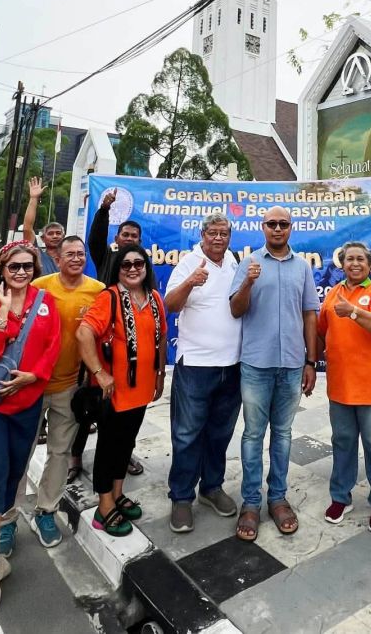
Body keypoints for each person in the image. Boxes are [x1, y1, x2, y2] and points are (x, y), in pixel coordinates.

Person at [0, 241, 61, 616]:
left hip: (28, 403)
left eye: (27, 266)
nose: (21, 272)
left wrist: (33, 376)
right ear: (1, 271)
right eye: (13, 267)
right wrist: (4, 313)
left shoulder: (46, 302)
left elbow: (53, 346)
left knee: (12, 475)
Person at [0, 235, 105, 549]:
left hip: (69, 387)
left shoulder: (98, 291)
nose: (76, 258)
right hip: (29, 385)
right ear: (57, 259)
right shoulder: (39, 287)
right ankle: (6, 519)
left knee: (59, 453)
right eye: (70, 254)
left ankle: (46, 511)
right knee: (20, 453)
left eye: (80, 253)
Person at [229, 206, 319, 542]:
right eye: (272, 224)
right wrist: (248, 283)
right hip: (256, 364)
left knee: (282, 433)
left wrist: (311, 361)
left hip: (292, 365)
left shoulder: (302, 267)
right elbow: (235, 309)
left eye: (283, 224)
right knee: (253, 435)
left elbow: (309, 314)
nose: (277, 229)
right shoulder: (249, 263)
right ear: (263, 227)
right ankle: (251, 503)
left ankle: (278, 498)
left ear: (291, 228)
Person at [76, 244, 167, 538]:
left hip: (141, 390)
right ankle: (104, 507)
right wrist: (99, 373)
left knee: (126, 444)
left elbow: (161, 338)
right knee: (108, 447)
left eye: (138, 263)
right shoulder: (110, 298)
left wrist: (160, 374)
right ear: (118, 269)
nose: (132, 269)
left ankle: (117, 494)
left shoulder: (154, 298)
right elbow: (83, 333)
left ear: (146, 267)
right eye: (126, 264)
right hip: (114, 393)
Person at [164, 213, 242, 533]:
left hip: (232, 365)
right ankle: (181, 497)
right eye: (213, 233)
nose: (218, 238)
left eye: (224, 233)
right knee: (187, 434)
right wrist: (190, 282)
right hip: (196, 365)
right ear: (202, 233)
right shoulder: (189, 262)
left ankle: (211, 487)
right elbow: (170, 304)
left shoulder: (234, 262)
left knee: (220, 432)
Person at [318, 242, 371, 533]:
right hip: (340, 386)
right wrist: (312, 362)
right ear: (342, 264)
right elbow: (321, 330)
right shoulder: (333, 293)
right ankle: (341, 497)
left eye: (360, 259)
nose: (354, 263)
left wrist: (352, 312)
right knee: (343, 442)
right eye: (349, 259)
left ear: (370, 264)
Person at [85, 187, 145, 476]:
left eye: (134, 236)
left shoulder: (141, 269)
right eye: (125, 235)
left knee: (126, 408)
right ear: (117, 238)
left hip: (128, 348)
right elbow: (95, 239)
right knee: (92, 402)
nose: (129, 239)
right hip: (101, 342)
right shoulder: (104, 257)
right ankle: (75, 459)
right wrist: (104, 210)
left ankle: (125, 454)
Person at [23, 177, 63, 276]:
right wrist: (33, 198)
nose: (55, 236)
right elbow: (27, 228)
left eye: (58, 233)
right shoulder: (37, 255)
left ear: (64, 237)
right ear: (43, 238)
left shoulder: (70, 259)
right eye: (50, 233)